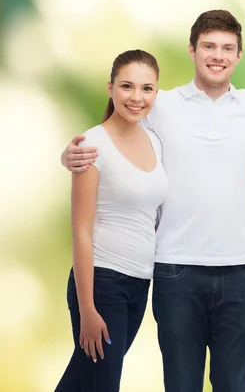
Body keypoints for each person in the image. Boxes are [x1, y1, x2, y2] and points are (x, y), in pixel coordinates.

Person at [61, 10, 245, 392]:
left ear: (239, 56)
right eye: (209, 45)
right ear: (192, 50)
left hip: (240, 269)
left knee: (236, 384)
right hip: (175, 269)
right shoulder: (161, 105)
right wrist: (70, 156)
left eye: (227, 48)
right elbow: (114, 135)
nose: (218, 55)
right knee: (179, 383)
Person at [56, 49, 169, 392]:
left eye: (146, 88)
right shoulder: (92, 145)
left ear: (156, 93)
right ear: (110, 88)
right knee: (100, 385)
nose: (137, 97)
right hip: (103, 283)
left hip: (139, 284)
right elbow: (81, 231)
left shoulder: (154, 140)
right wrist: (88, 309)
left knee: (83, 381)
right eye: (127, 87)